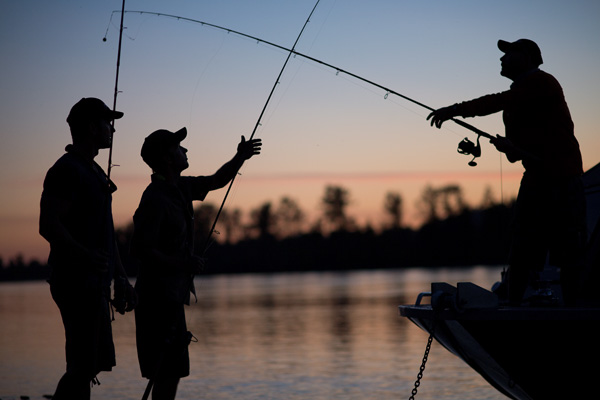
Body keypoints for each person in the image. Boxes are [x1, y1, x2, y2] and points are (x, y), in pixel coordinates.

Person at [427, 39, 586, 306]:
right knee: (523, 246)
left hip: (562, 178)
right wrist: (509, 148)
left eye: (508, 53)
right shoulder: (519, 98)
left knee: (566, 251)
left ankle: (573, 311)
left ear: (526, 56)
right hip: (538, 176)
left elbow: (494, 102)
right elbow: (519, 152)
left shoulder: (541, 82)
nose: (502, 59)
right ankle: (513, 308)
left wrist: (454, 111)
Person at [132, 127, 261, 399]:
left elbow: (216, 180)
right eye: (179, 147)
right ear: (167, 159)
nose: (186, 150)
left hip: (172, 298)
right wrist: (183, 264)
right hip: (155, 301)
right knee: (164, 372)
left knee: (172, 373)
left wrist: (240, 157)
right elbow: (143, 250)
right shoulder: (154, 198)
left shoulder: (181, 186)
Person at [39, 97, 137, 399]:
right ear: (92, 127)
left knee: (91, 364)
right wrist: (86, 255)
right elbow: (48, 225)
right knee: (82, 366)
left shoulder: (93, 171)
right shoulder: (67, 170)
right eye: (108, 123)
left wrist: (120, 275)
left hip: (95, 282)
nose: (112, 129)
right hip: (74, 281)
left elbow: (106, 233)